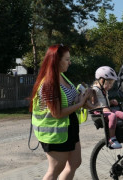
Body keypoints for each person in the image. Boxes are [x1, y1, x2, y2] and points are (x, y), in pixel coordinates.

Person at [29, 44, 94, 180]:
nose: (70, 62)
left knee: (75, 162)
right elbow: (57, 113)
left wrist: (83, 96)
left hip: (69, 128)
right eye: (67, 59)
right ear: (56, 61)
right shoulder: (49, 84)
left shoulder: (63, 77)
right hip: (54, 135)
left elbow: (71, 99)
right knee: (55, 169)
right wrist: (81, 103)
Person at [92, 66, 123, 149]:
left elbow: (104, 102)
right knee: (112, 116)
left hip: (108, 110)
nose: (111, 86)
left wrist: (110, 102)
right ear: (101, 80)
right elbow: (92, 104)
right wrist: (101, 108)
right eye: (109, 83)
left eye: (112, 83)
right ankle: (112, 138)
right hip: (99, 112)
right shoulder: (94, 90)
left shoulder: (104, 90)